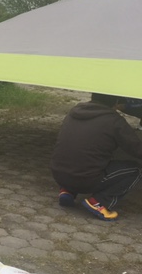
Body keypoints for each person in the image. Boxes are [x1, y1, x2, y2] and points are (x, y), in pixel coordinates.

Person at [51, 93, 142, 221]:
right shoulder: (114, 121)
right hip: (85, 179)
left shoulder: (74, 112)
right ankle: (100, 202)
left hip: (58, 174)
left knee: (77, 155)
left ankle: (67, 190)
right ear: (116, 102)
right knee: (135, 170)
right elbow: (136, 148)